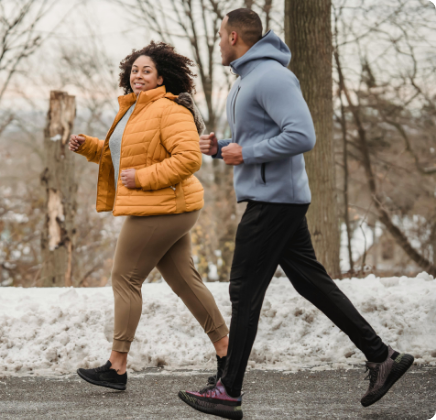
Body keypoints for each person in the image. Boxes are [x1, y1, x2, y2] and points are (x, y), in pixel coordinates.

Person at [178, 8, 414, 420]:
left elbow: (302, 134)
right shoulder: (249, 79)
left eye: (219, 35)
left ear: (234, 36)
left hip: (275, 201)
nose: (217, 42)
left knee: (244, 291)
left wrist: (246, 152)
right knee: (312, 284)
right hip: (272, 196)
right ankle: (382, 357)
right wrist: (224, 147)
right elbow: (262, 137)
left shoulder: (271, 76)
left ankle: (228, 390)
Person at [69, 41, 229, 391]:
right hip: (163, 206)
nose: (138, 76)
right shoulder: (133, 110)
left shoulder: (169, 110)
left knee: (125, 278)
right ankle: (227, 354)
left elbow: (189, 159)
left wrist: (141, 178)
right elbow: (125, 156)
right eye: (134, 70)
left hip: (161, 206)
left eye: (147, 71)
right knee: (184, 281)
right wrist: (90, 147)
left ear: (162, 78)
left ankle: (117, 366)